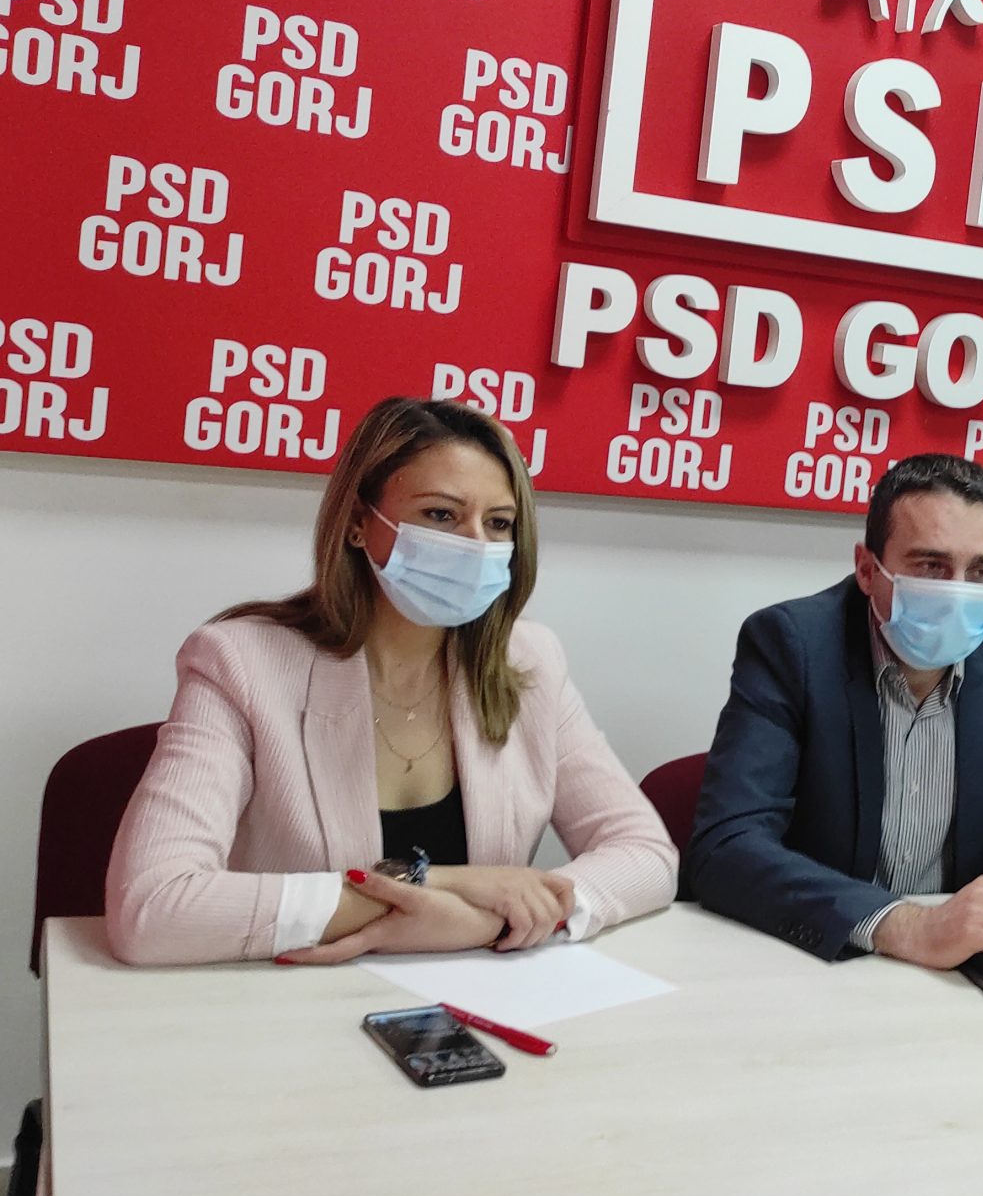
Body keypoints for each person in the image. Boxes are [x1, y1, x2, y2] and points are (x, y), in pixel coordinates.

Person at [106, 398, 677, 966]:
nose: (476, 544)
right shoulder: (241, 662)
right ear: (359, 522)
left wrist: (483, 920)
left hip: (472, 996)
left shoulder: (530, 662)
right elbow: (152, 907)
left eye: (498, 523)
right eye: (441, 515)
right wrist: (435, 884)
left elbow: (646, 854)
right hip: (287, 995)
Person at [686, 454, 983, 967]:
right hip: (812, 960)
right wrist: (903, 925)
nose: (957, 591)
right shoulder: (793, 645)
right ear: (866, 569)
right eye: (931, 566)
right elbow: (726, 845)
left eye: (981, 571)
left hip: (952, 975)